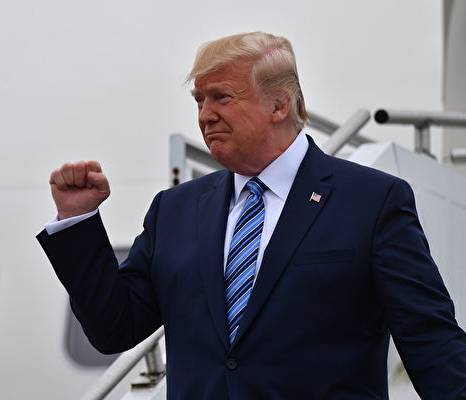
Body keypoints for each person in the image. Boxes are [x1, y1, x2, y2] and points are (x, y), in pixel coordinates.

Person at [37, 32, 466, 399]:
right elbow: (115, 329)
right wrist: (77, 221)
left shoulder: (372, 201)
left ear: (279, 105)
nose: (205, 115)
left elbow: (430, 340)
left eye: (221, 97)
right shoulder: (174, 210)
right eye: (199, 100)